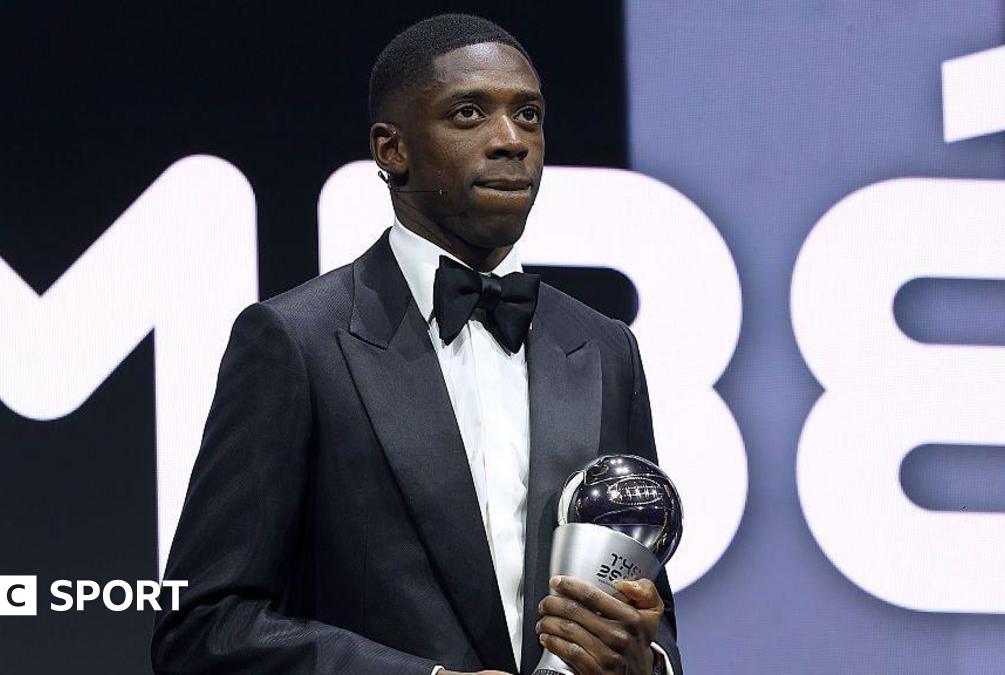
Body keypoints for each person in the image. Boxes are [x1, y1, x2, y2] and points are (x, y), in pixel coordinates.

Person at [151, 13, 681, 675]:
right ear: (391, 149)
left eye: (529, 115)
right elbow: (205, 627)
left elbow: (650, 612)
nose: (510, 140)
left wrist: (645, 662)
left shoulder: (604, 348)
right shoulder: (296, 341)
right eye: (468, 113)